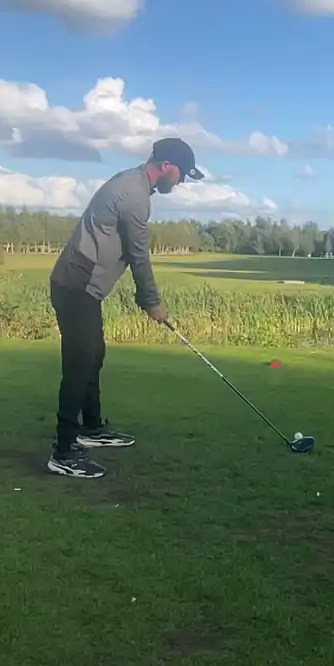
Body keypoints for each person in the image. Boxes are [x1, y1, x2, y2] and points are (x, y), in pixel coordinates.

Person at [48, 137, 203, 479]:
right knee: (79, 363)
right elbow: (138, 256)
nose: (181, 182)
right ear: (166, 166)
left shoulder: (135, 185)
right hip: (76, 286)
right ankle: (64, 451)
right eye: (181, 174)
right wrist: (152, 301)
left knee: (94, 355)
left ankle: (91, 429)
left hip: (83, 288)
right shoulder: (134, 196)